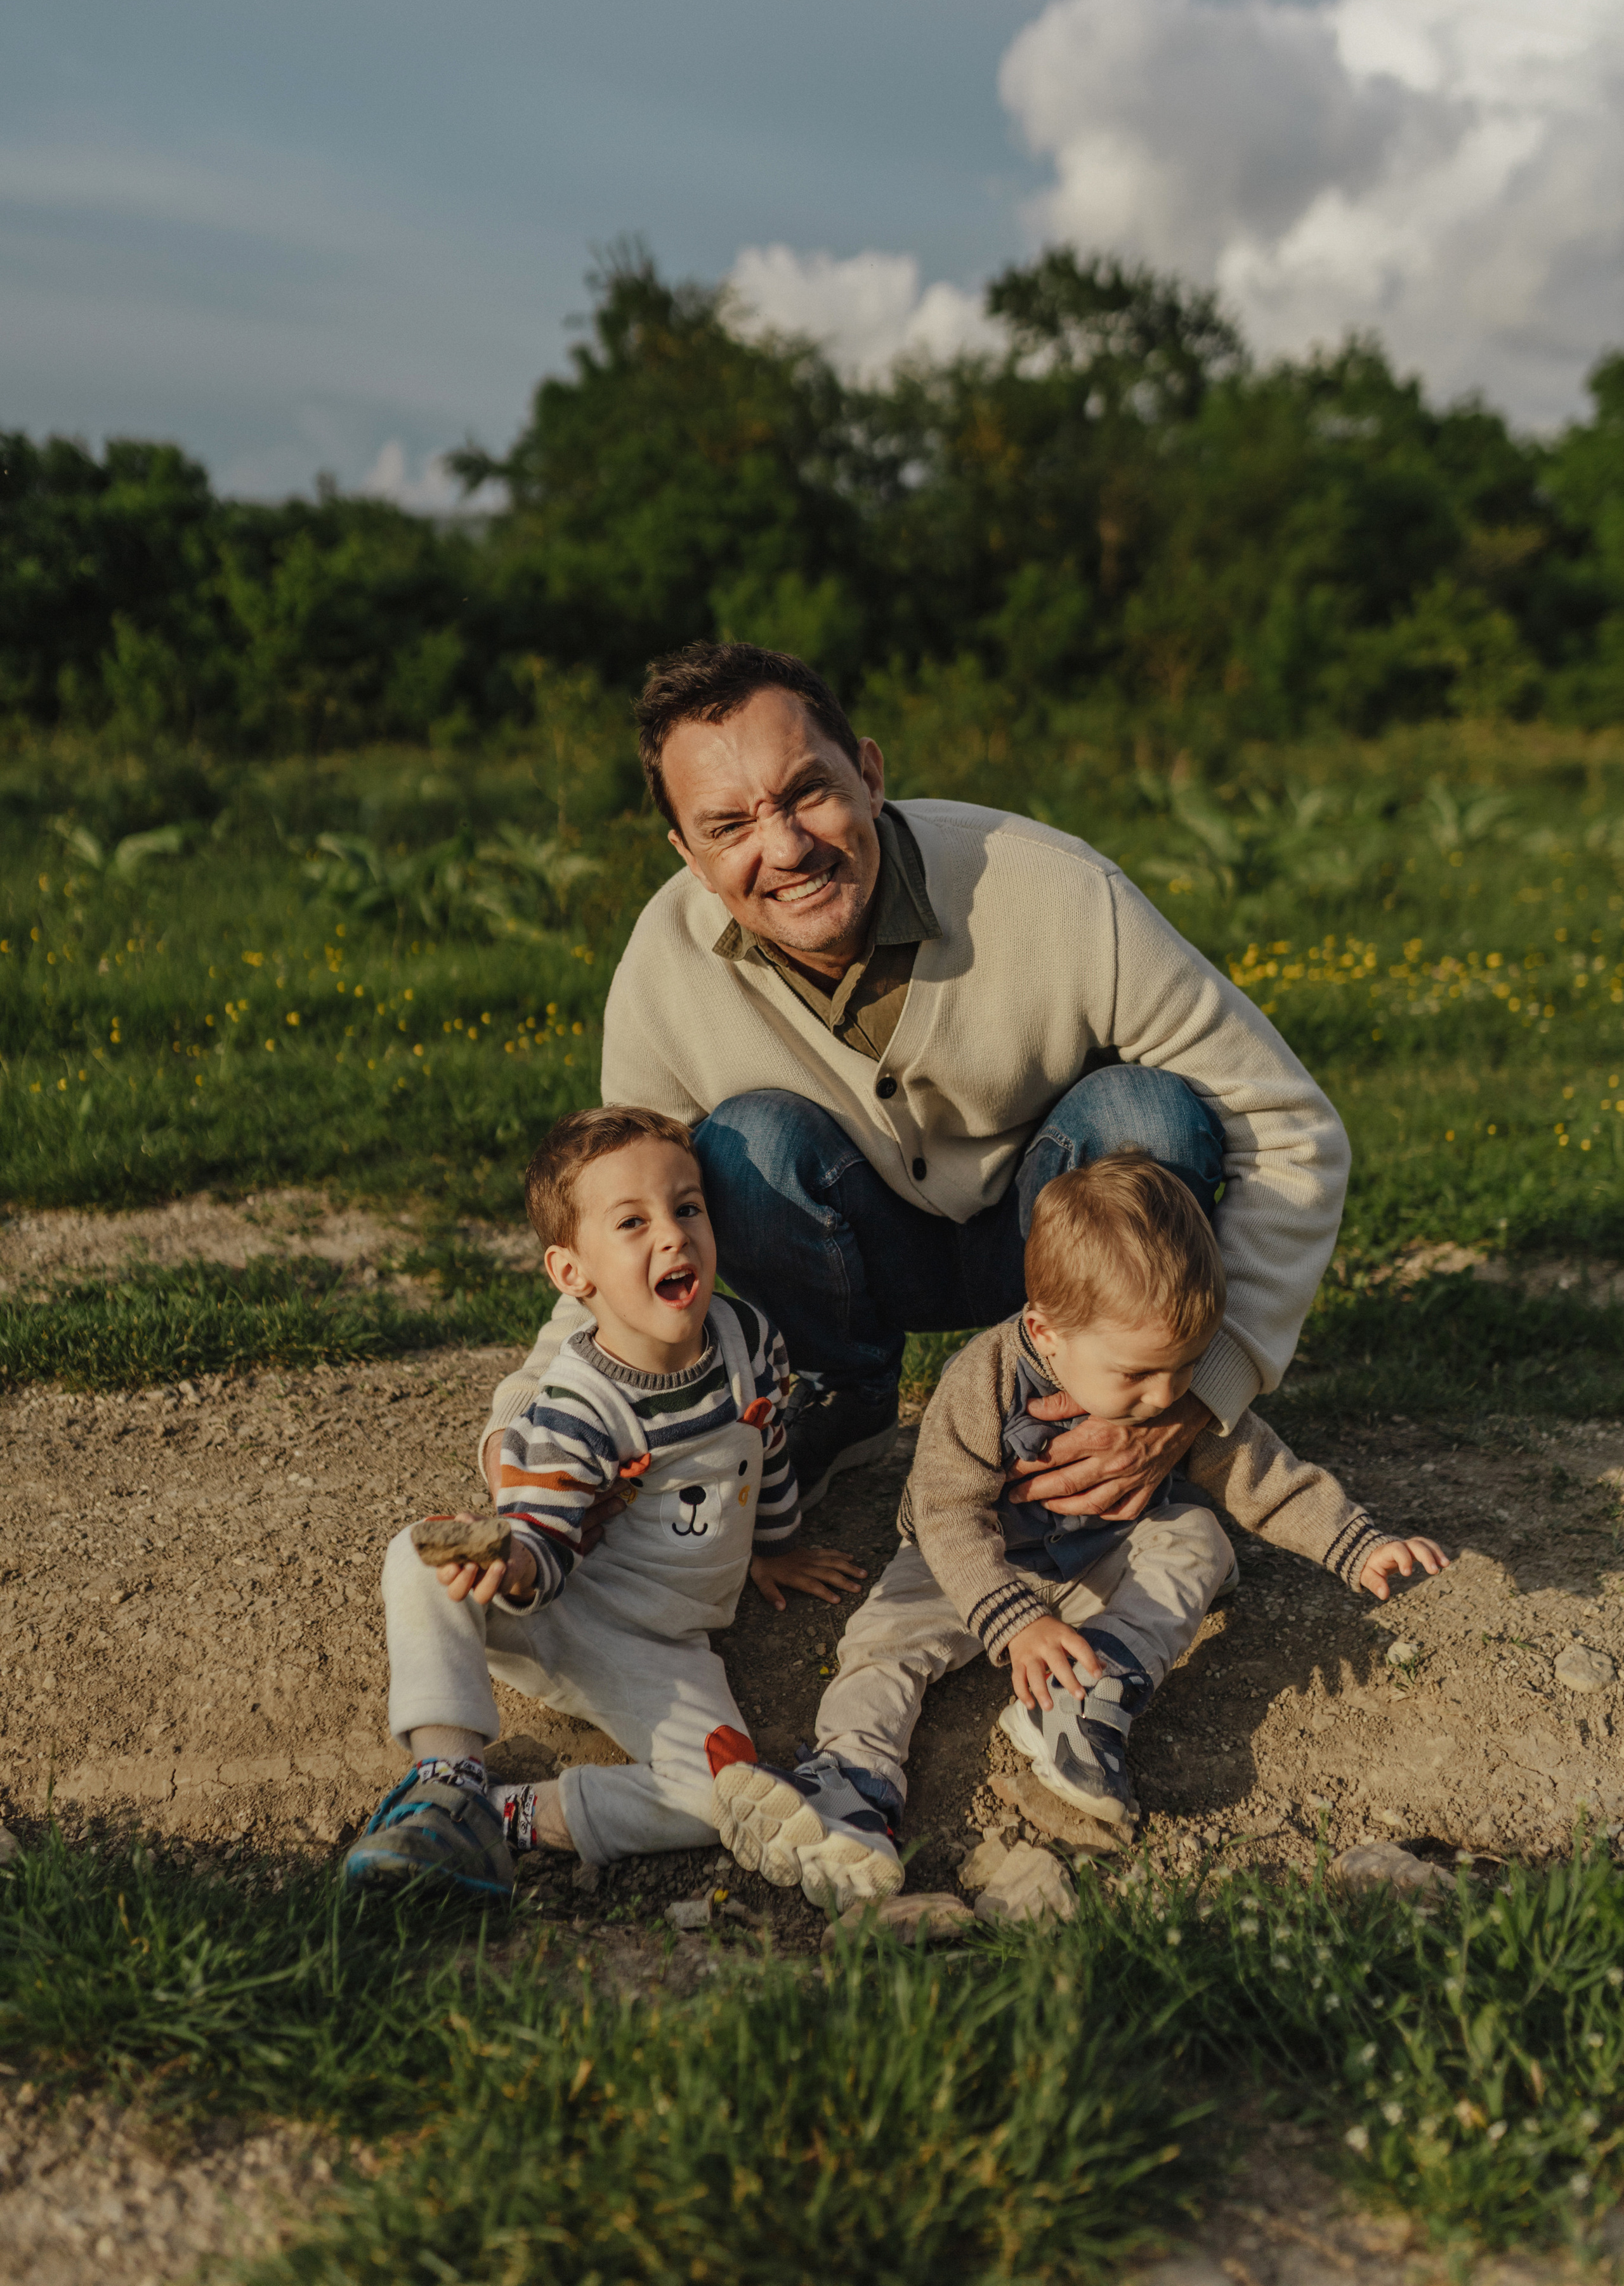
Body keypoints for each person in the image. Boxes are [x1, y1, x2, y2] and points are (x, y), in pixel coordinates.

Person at [477, 643, 1351, 1535]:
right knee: (747, 1148)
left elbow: (1287, 1128)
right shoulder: (665, 965)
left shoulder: (1060, 891)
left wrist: (1206, 1387)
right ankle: (843, 1399)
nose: (784, 848)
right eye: (728, 826)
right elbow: (613, 1221)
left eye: (807, 792)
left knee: (1143, 1114)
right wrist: (528, 1424)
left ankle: (1109, 1398)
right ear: (688, 855)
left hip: (1057, 1238)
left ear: (868, 773)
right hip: (852, 1255)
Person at [714, 1151, 1448, 1899]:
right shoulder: (985, 1377)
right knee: (884, 1643)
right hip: (974, 1561)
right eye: (1136, 1374)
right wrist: (1015, 1622)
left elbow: (1260, 1472)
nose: (1166, 1396)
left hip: (1107, 1547)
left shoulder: (1165, 1387)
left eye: (1187, 1365)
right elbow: (945, 1512)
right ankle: (851, 1787)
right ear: (1048, 1331)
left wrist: (1355, 1542)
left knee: (1199, 1541)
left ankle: (1083, 1699)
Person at [344, 1106, 876, 1902]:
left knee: (725, 1793)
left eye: (687, 1208)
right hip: (557, 1605)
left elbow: (765, 1453)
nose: (673, 1236)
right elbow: (544, 1541)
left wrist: (775, 1545)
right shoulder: (575, 1407)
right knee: (418, 1552)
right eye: (633, 1222)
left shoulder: (750, 1342)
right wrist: (511, 1563)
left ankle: (505, 1818)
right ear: (571, 1273)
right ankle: (445, 1780)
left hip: (662, 1650)